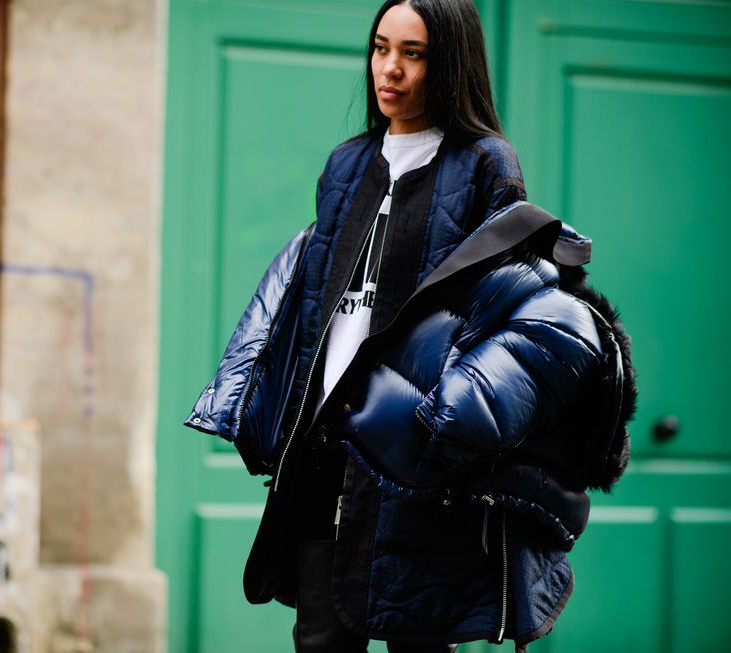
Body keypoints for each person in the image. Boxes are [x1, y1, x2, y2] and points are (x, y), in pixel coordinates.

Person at [185, 1, 635, 651]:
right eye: (380, 48)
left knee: (419, 638)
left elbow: (501, 308)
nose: (389, 69)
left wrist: (453, 429)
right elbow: (314, 305)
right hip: (324, 444)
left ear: (448, 62)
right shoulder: (346, 163)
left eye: (413, 53)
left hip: (416, 455)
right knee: (319, 635)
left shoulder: (485, 163)